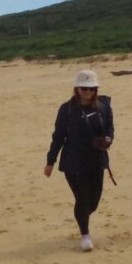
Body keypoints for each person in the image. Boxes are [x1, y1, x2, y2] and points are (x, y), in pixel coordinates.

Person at [44, 69, 115, 252]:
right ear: (77, 89)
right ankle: (85, 235)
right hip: (73, 162)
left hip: (96, 160)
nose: (88, 92)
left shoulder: (104, 106)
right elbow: (58, 136)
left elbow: (109, 129)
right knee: (83, 199)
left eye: (92, 88)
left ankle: (81, 216)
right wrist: (50, 161)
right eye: (84, 88)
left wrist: (107, 140)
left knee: (93, 202)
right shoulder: (66, 109)